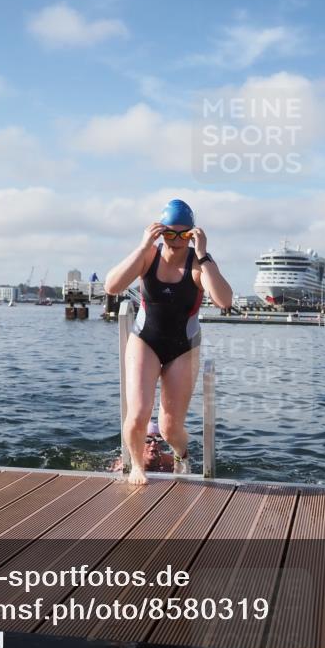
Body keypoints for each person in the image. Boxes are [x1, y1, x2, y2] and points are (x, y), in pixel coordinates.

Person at [105, 199, 233, 485]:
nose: (175, 241)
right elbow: (111, 286)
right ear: (159, 232)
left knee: (169, 427)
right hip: (145, 340)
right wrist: (141, 247)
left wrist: (203, 254)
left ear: (192, 234)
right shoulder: (148, 257)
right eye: (168, 233)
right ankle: (137, 466)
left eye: (183, 235)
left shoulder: (198, 266)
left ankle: (181, 453)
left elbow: (224, 300)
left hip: (183, 347)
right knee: (138, 414)